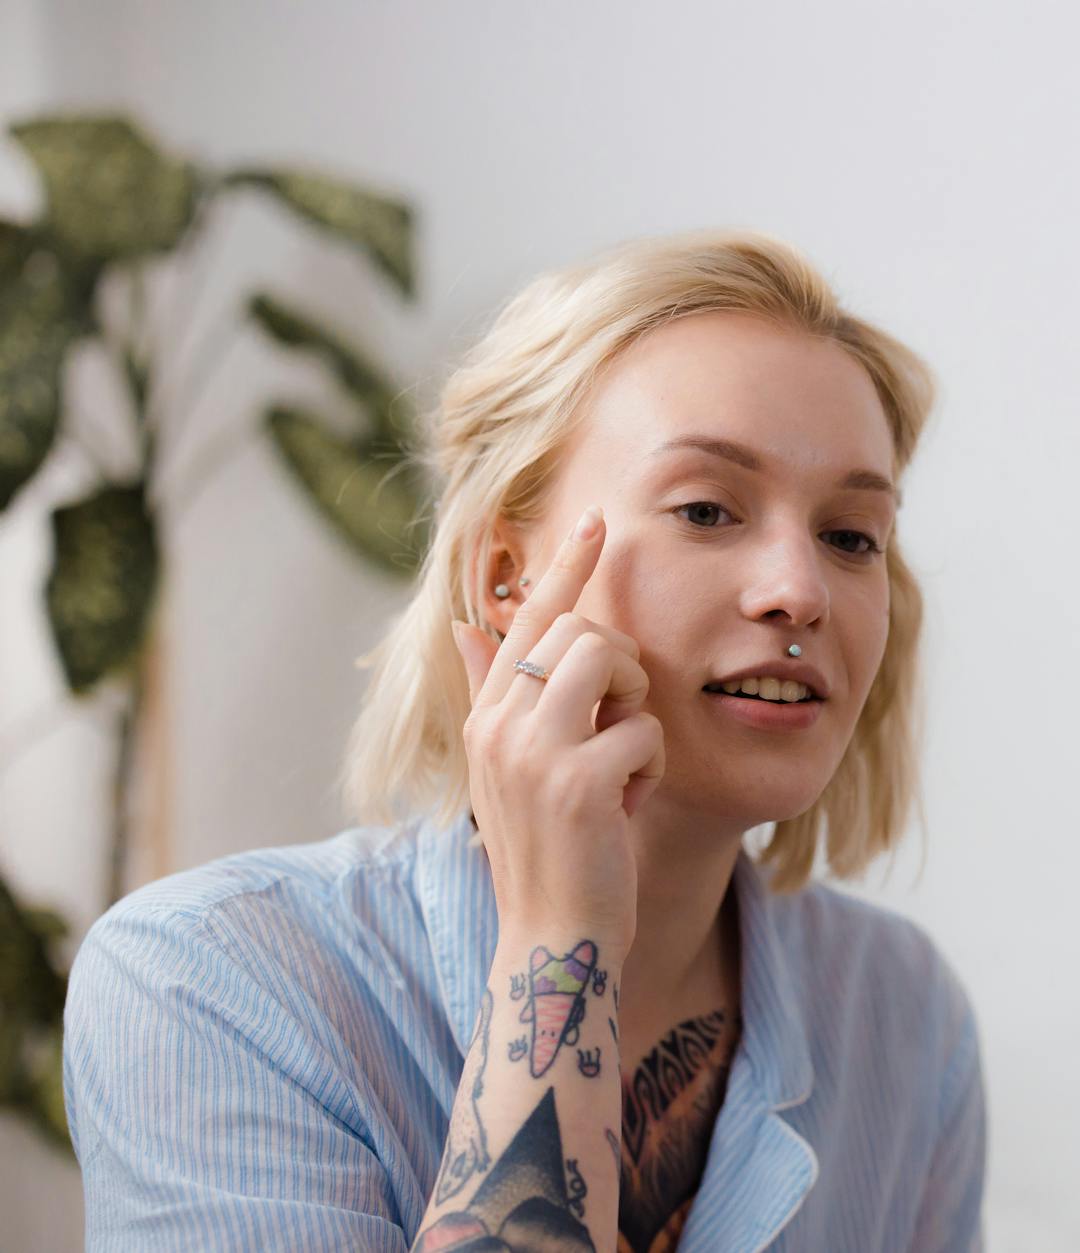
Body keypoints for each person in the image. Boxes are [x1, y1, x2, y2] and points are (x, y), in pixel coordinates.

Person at [61, 230, 987, 1252]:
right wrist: (559, 934)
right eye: (708, 508)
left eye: (850, 535)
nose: (800, 589)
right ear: (508, 576)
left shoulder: (905, 1021)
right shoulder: (209, 983)